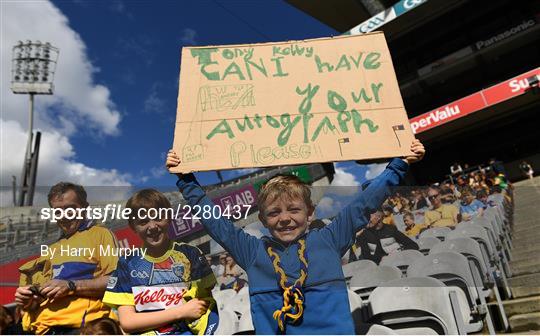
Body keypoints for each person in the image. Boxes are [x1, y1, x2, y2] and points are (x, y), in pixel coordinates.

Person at [166, 139, 425, 334]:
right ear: (263, 220)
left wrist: (399, 165)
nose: (285, 218)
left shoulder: (329, 238)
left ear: (310, 213)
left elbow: (365, 203)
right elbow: (215, 221)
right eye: (274, 212)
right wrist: (185, 180)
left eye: (294, 209)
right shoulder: (251, 251)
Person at [102, 189, 219, 334]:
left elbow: (203, 307)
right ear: (133, 227)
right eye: (143, 222)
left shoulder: (191, 254)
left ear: (169, 216)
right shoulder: (126, 264)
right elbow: (127, 322)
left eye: (157, 217)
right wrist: (180, 312)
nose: (152, 226)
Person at [14, 182, 119, 334]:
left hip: (83, 328)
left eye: (70, 208)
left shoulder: (101, 235)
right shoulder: (50, 250)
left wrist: (70, 286)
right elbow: (37, 304)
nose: (64, 216)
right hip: (43, 329)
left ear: (85, 207)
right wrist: (28, 301)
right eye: (57, 212)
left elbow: (116, 282)